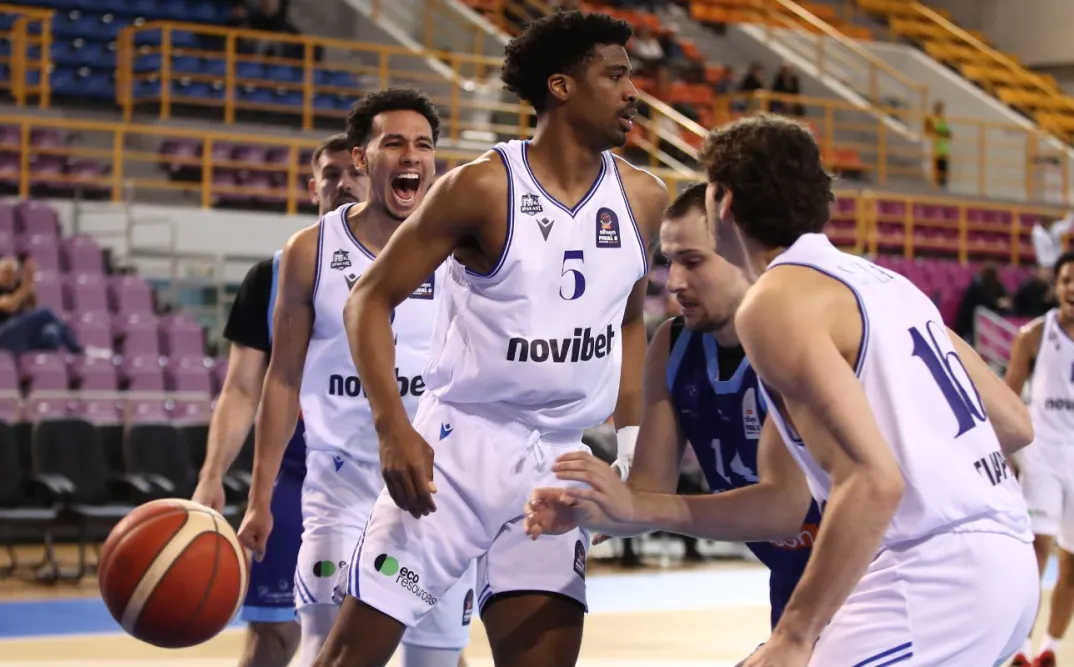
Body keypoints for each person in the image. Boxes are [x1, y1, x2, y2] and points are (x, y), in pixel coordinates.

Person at [525, 114, 1038, 667]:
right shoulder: (887, 284)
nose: (674, 281)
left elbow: (871, 481)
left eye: (690, 260)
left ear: (723, 202)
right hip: (1001, 556)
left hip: (928, 572)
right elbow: (1013, 425)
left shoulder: (774, 302)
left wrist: (795, 635)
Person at [313, 11, 666, 667]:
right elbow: (369, 298)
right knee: (349, 658)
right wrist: (393, 427)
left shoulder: (645, 197)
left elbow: (629, 318)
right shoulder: (481, 186)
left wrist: (629, 445)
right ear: (561, 86)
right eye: (615, 76)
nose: (632, 93)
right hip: (460, 448)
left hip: (560, 456)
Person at [236, 87, 476, 667]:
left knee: (436, 660)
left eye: (423, 144)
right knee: (329, 645)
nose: (411, 154)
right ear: (362, 158)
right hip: (340, 487)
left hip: (435, 492)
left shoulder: (465, 250)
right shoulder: (309, 251)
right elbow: (281, 379)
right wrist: (260, 498)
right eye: (394, 143)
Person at [605, 181, 818, 630]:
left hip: (880, 574)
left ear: (741, 251)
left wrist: (639, 509)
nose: (674, 283)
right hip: (795, 584)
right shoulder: (672, 344)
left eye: (693, 261)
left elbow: (784, 511)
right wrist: (585, 506)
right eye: (669, 261)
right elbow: (648, 493)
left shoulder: (802, 335)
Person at [192, 134, 366, 667]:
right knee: (273, 636)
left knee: (427, 639)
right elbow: (242, 388)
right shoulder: (270, 276)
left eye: (355, 171)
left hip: (389, 472)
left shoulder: (424, 268)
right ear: (313, 188)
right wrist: (213, 474)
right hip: (297, 476)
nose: (344, 183)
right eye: (331, 174)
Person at [1004, 250, 1074, 667]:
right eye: (1066, 280)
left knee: (1072, 565)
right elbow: (1008, 399)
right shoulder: (1032, 335)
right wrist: (1005, 455)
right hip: (1042, 456)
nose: (1072, 288)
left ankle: (1050, 648)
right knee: (1036, 553)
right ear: (1056, 285)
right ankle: (1021, 649)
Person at [0, 256, 83, 356]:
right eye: (5, 272)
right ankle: (77, 351)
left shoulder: (17, 291)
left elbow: (31, 310)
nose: (8, 276)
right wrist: (27, 285)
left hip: (15, 341)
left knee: (51, 333)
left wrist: (27, 288)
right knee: (47, 313)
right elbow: (9, 306)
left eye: (12, 273)